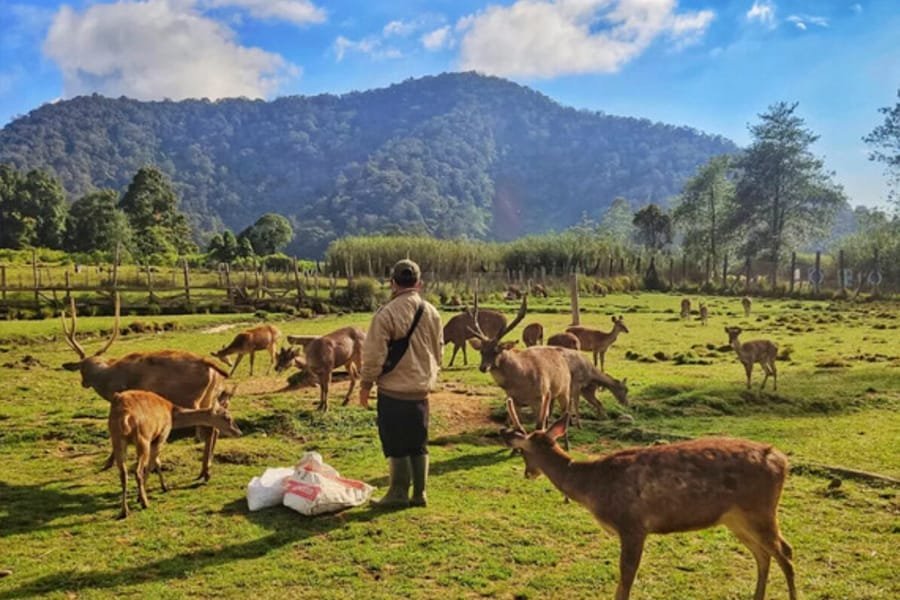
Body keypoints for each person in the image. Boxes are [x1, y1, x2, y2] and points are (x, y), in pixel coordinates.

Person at [359, 259, 443, 508]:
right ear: (419, 283)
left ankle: (398, 493)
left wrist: (365, 385)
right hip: (421, 391)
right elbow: (438, 350)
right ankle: (419, 493)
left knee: (395, 442)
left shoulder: (386, 313)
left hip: (394, 392)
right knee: (418, 442)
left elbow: (374, 354)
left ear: (392, 283)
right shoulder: (432, 312)